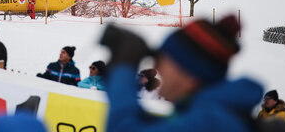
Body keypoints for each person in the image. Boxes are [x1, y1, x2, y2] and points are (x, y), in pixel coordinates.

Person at [100, 16, 263, 132]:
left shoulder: (211, 123)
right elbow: (142, 123)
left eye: (162, 59)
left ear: (190, 74)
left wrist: (124, 69)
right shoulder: (206, 113)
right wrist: (117, 71)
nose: (156, 66)